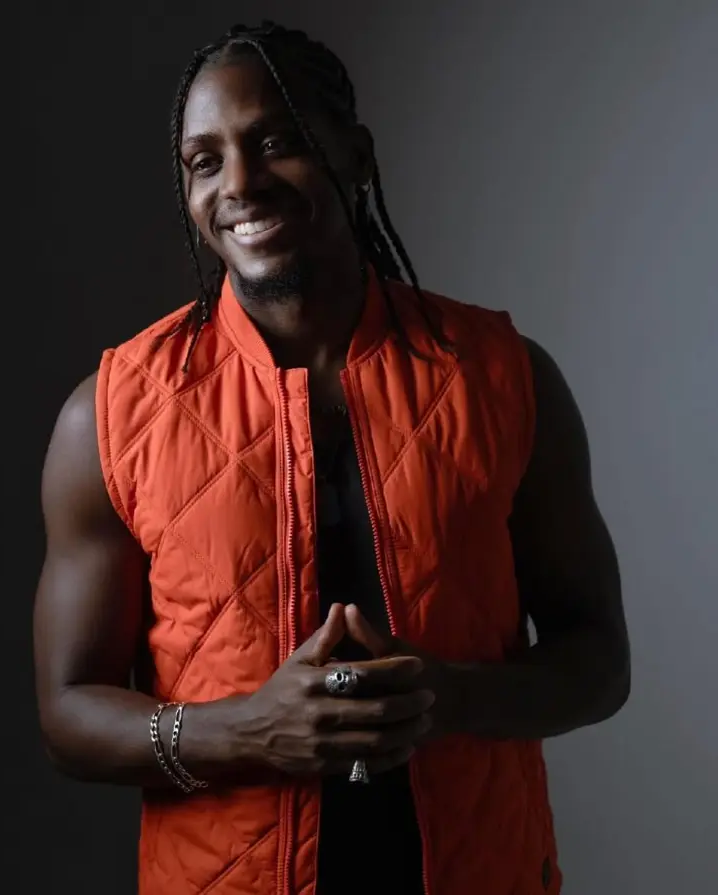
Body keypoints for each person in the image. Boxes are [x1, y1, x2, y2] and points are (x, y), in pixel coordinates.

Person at [34, 20, 630, 895]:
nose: (240, 184)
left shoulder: (505, 377)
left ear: (355, 154)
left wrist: (448, 698)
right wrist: (250, 729)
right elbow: (67, 715)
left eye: (276, 142)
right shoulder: (109, 414)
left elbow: (599, 660)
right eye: (205, 161)